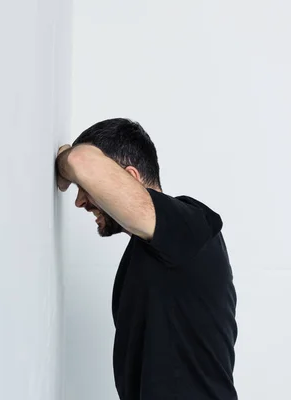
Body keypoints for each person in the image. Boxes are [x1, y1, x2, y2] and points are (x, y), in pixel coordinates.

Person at [55, 118, 238, 400]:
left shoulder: (190, 225)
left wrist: (65, 159)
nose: (80, 201)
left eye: (84, 188)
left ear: (130, 176)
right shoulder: (149, 250)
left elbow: (81, 160)